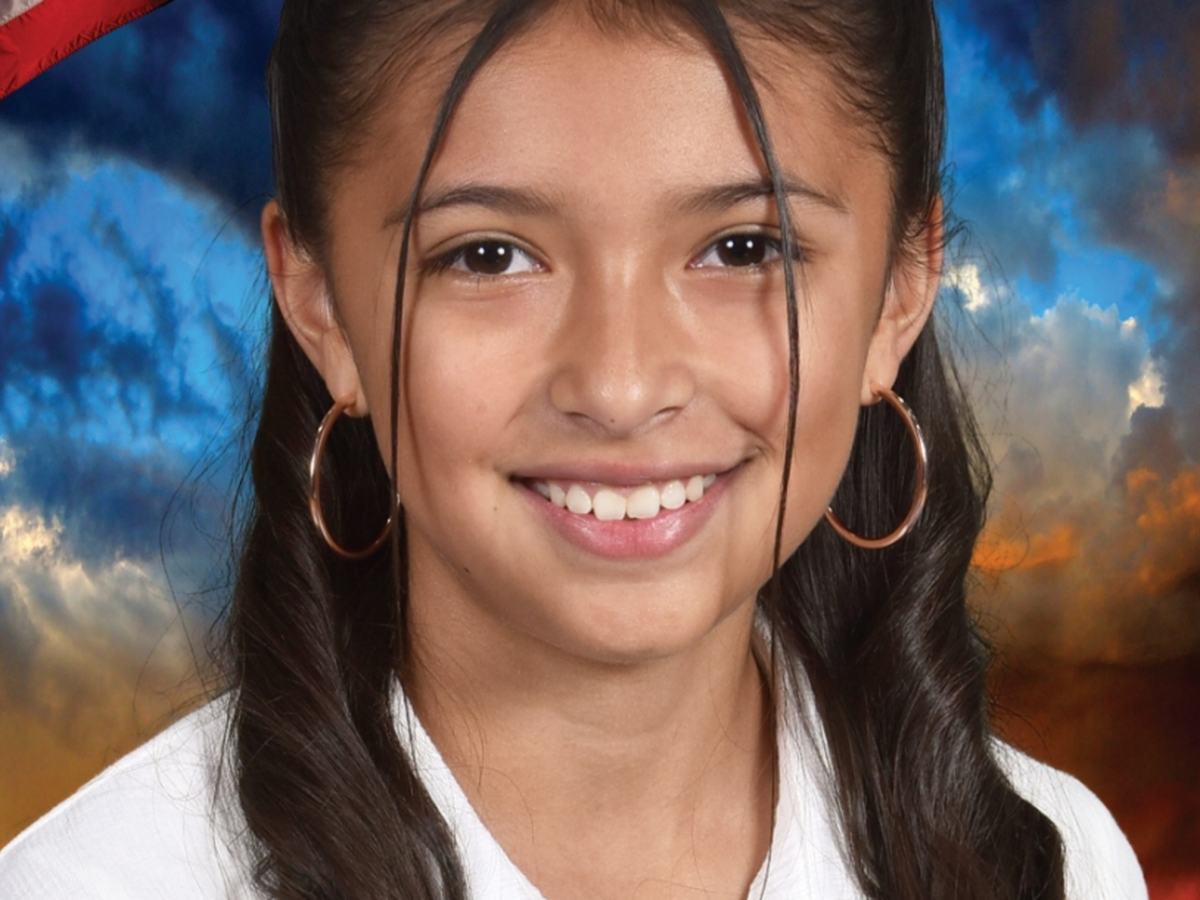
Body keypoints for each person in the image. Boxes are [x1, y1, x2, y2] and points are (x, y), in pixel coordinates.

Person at [0, 0, 1149, 898]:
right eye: (488, 256)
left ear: (901, 291)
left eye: (744, 247)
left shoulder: (1057, 866)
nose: (620, 386)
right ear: (321, 303)